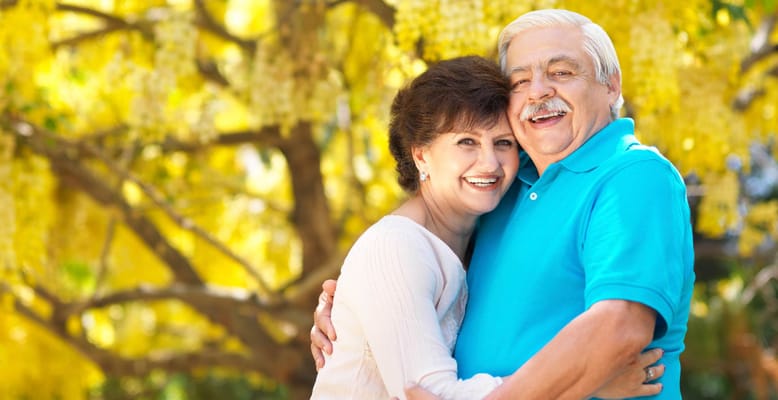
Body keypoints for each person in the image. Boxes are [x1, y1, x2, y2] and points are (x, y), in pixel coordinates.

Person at [312, 9, 695, 400]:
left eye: (561, 72)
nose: (538, 91)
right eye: (520, 80)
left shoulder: (633, 175)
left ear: (611, 86)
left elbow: (620, 326)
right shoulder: (507, 187)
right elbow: (426, 270)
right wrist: (358, 306)